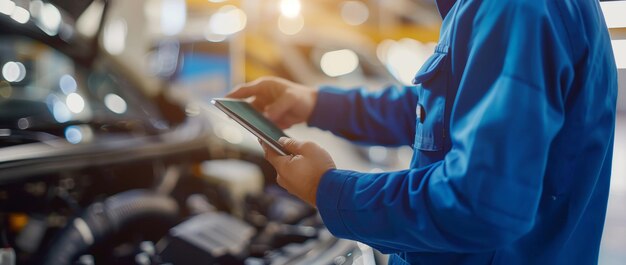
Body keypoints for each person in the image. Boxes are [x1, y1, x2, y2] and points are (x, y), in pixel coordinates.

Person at [227, 0, 618, 264]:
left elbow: (479, 204)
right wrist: (316, 103)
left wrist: (330, 191)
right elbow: (448, 109)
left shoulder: (513, 9)